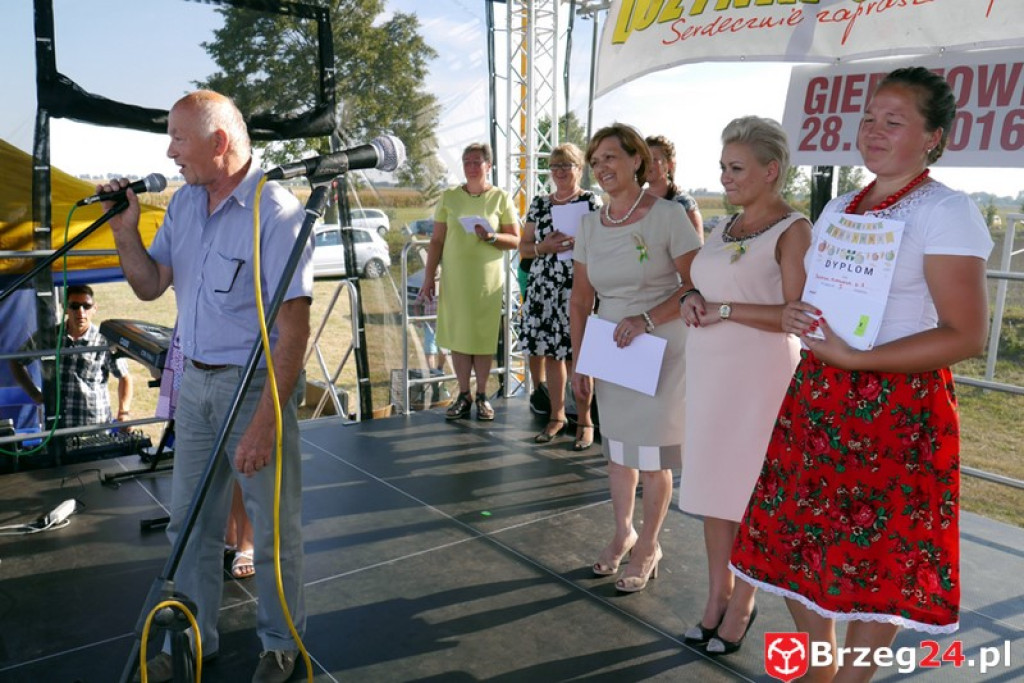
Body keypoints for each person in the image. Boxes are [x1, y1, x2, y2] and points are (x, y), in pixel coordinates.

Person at [730, 67, 993, 680]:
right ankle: (822, 667)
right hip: (821, 394)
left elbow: (965, 334)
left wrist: (856, 359)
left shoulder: (945, 211)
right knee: (798, 537)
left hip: (895, 405)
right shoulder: (840, 207)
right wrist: (801, 313)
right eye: (869, 117)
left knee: (881, 557)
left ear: (933, 137)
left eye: (893, 121)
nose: (873, 130)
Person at [105, 90, 311, 683]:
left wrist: (265, 421)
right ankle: (196, 638)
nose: (169, 152)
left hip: (253, 388)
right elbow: (149, 285)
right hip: (194, 384)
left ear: (219, 142)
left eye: (179, 138)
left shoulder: (275, 212)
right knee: (189, 525)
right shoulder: (184, 204)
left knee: (272, 530)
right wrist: (125, 232)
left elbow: (293, 328)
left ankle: (281, 645)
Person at [677, 116, 811, 655]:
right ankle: (718, 594)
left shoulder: (793, 230)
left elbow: (797, 315)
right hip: (710, 373)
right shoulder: (724, 226)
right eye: (723, 167)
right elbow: (702, 283)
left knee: (751, 493)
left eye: (736, 168)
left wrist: (726, 310)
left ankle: (744, 601)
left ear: (771, 171)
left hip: (760, 379)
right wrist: (691, 297)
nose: (725, 177)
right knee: (714, 488)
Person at [570, 123, 701, 592]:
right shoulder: (589, 224)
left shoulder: (668, 216)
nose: (602, 167)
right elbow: (580, 300)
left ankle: (648, 544)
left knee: (651, 454)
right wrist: (580, 360)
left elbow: (696, 284)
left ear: (636, 160)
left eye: (610, 157)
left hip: (661, 345)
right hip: (611, 347)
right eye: (595, 160)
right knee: (619, 452)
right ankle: (622, 532)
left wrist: (647, 319)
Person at [419, 143, 520, 421]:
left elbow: (515, 240)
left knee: (483, 339)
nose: (471, 167)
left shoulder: (501, 198)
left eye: (477, 161)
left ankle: (482, 395)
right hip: (456, 280)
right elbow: (437, 240)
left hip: (487, 281)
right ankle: (464, 394)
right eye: (467, 162)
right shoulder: (449, 197)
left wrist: (491, 237)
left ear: (489, 165)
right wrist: (429, 277)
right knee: (460, 337)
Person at [518, 143, 601, 447]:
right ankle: (557, 416)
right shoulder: (539, 204)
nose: (560, 172)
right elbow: (523, 247)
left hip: (578, 286)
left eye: (567, 165)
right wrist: (544, 247)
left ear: (580, 169)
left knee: (580, 356)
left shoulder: (591, 202)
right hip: (544, 288)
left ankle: (586, 420)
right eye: (555, 166)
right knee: (552, 355)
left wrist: (582, 244)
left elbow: (605, 243)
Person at [9, 284, 134, 429]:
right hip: (56, 425)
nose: (81, 312)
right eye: (74, 306)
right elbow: (16, 361)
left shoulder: (105, 341)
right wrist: (35, 395)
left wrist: (124, 412)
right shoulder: (48, 337)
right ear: (65, 309)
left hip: (95, 425)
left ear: (95, 308)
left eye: (86, 306)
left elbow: (125, 378)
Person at [645, 135, 704, 242]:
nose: (647, 164)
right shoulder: (636, 200)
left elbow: (697, 247)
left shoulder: (684, 203)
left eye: (654, 159)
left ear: (669, 165)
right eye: (644, 159)